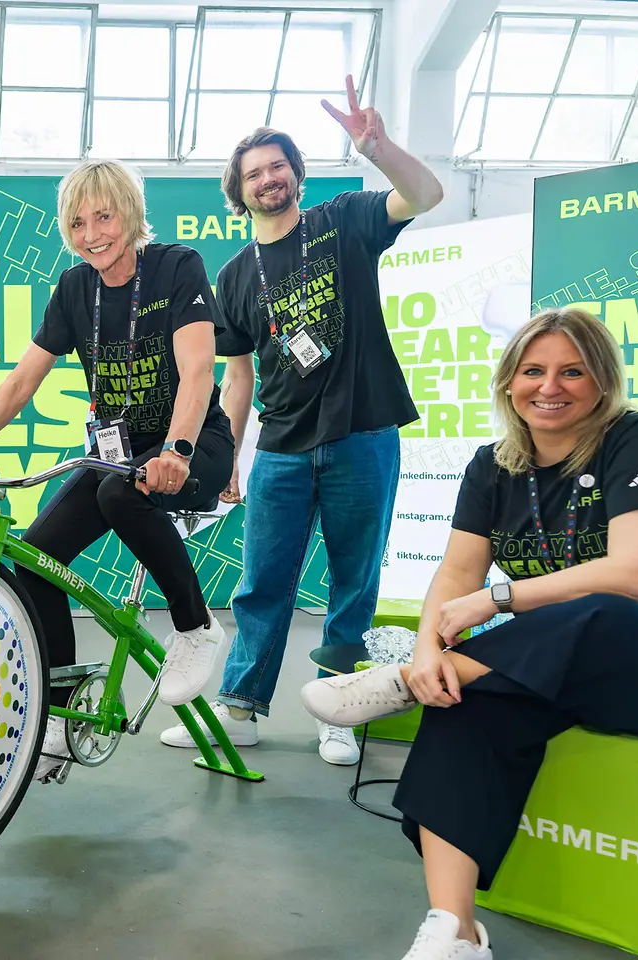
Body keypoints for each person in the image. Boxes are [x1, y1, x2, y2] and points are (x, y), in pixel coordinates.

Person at [300, 307, 638, 959]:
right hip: (560, 670)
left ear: (602, 380)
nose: (551, 386)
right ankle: (454, 931)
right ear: (508, 382)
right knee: (459, 703)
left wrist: (499, 599)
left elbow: (637, 576)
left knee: (610, 610)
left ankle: (405, 681)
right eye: (533, 370)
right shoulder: (493, 465)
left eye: (573, 371)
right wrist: (430, 649)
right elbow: (457, 571)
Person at [161, 76, 445, 766]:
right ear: (239, 191)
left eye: (278, 165)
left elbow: (427, 194)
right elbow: (236, 374)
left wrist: (377, 147)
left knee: (354, 581)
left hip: (364, 434)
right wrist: (225, 454)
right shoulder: (232, 276)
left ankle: (338, 709)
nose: (268, 178)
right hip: (282, 447)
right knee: (262, 583)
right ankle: (242, 708)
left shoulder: (345, 219)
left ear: (297, 174)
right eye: (255, 172)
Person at [0, 159, 234, 782]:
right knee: (35, 557)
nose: (92, 232)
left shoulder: (178, 267)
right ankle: (65, 713)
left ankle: (196, 627)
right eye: (77, 221)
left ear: (129, 211)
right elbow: (18, 385)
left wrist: (176, 449)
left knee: (123, 495)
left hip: (192, 443)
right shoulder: (74, 290)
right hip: (118, 458)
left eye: (104, 216)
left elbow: (200, 370)